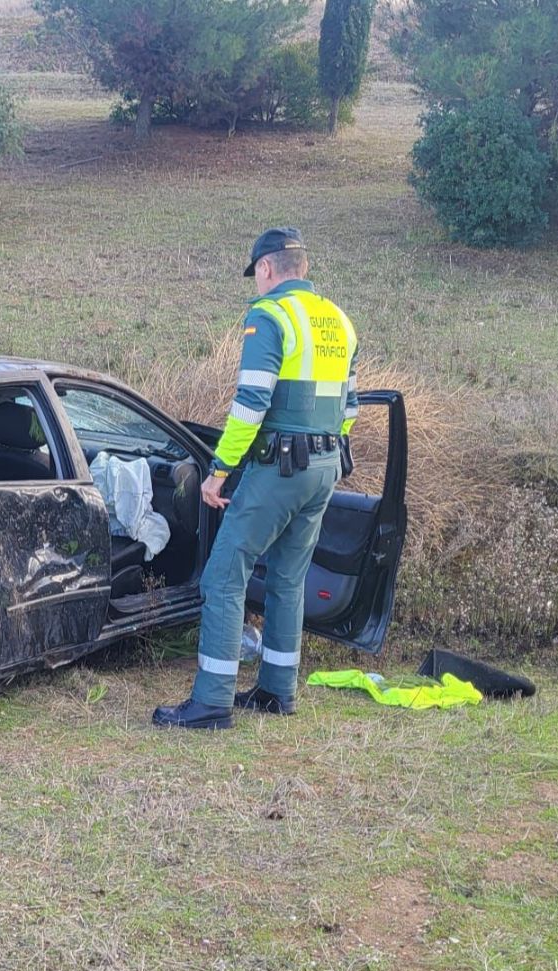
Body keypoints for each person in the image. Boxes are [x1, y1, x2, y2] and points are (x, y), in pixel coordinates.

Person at [153, 227, 359, 730]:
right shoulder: (338, 320)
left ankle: (211, 701)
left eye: (257, 275)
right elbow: (350, 406)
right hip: (325, 467)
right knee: (288, 579)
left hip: (280, 468)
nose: (257, 283)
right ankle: (276, 690)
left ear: (266, 268)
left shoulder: (270, 315)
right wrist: (329, 451)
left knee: (224, 575)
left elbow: (251, 403)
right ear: (302, 267)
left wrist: (219, 471)